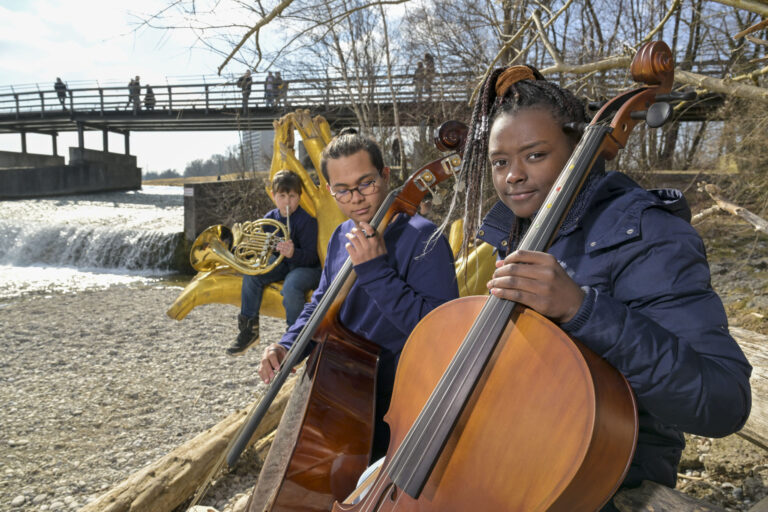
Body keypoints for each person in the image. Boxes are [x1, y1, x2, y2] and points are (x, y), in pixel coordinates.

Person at [453, 65, 752, 508]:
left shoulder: (646, 230)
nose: (512, 175)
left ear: (581, 152)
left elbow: (723, 401)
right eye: (500, 161)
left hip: (606, 471)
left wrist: (583, 310)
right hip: (522, 449)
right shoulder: (518, 232)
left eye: (535, 155)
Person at [258, 128, 459, 459]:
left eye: (366, 183)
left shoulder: (425, 239)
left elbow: (440, 334)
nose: (356, 198)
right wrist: (287, 344)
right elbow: (322, 304)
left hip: (398, 396)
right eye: (342, 190)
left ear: (385, 175)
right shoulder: (340, 236)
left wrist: (376, 271)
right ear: (328, 191)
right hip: (343, 387)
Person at [228, 170, 322, 356]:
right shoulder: (269, 219)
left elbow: (312, 257)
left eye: (292, 196)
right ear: (273, 196)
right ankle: (249, 330)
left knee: (291, 286)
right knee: (252, 274)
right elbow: (261, 249)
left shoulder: (307, 221)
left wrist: (294, 252)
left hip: (307, 268)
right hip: (282, 266)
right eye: (282, 196)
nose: (287, 201)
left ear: (299, 196)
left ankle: (296, 336)